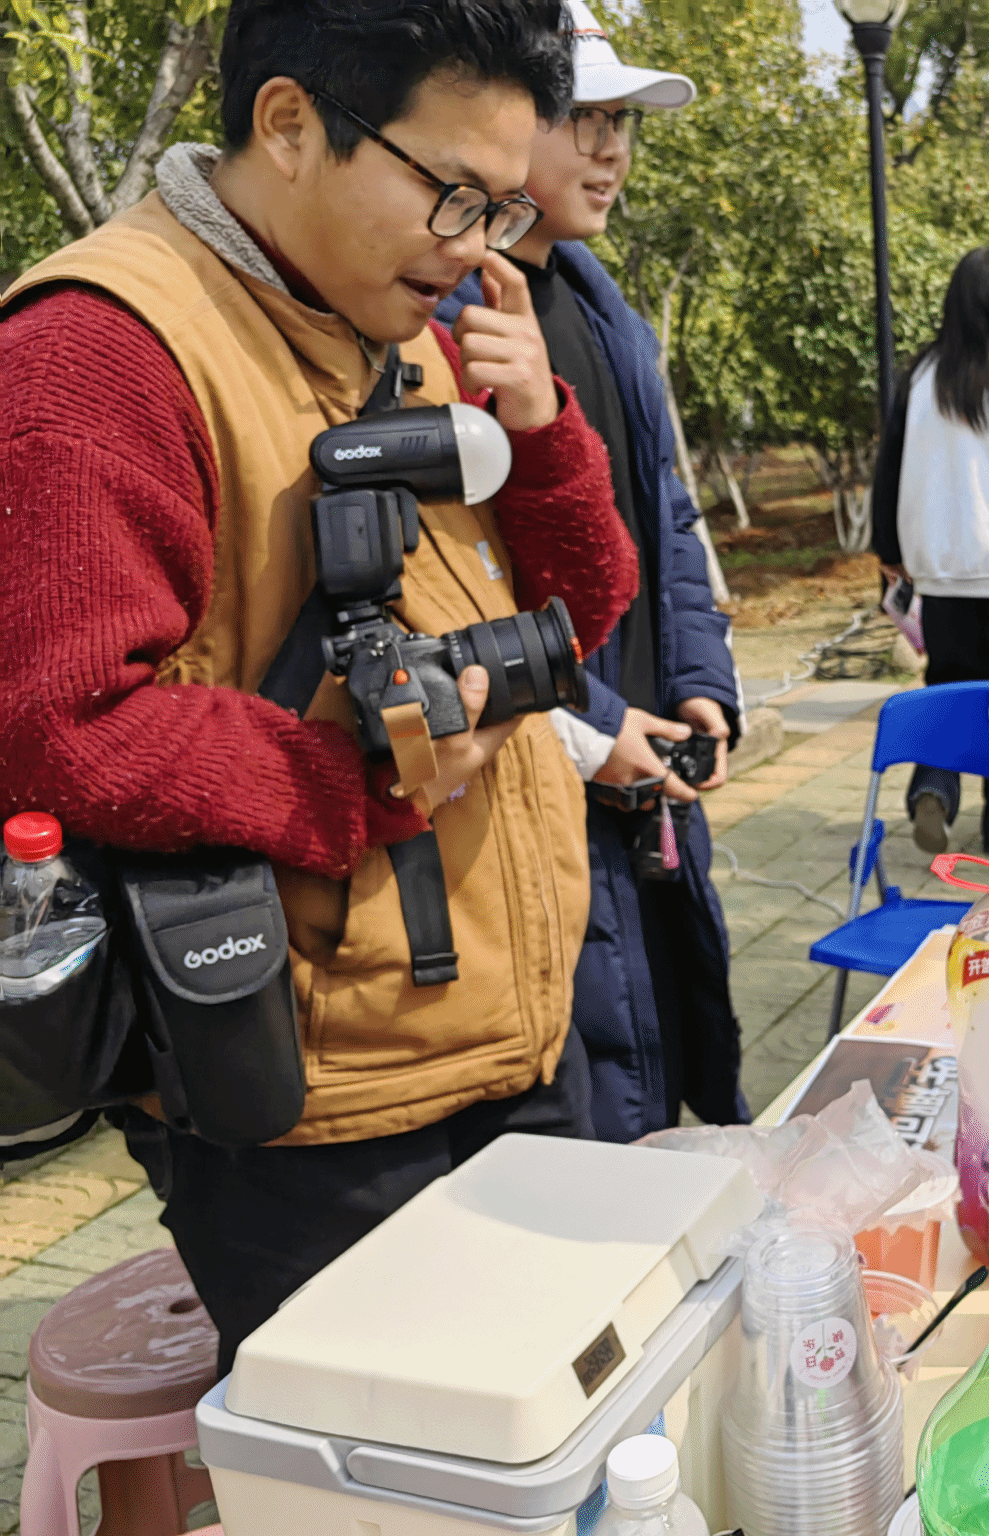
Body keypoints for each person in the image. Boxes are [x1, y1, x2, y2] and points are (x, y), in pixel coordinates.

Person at [0, 0, 637, 1370]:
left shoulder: (395, 322)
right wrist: (363, 777)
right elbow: (55, 725)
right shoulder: (98, 353)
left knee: (564, 1423)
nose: (473, 244)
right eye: (453, 193)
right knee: (406, 1461)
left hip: (504, 1032)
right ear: (290, 124)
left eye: (500, 208)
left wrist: (539, 428)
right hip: (317, 1108)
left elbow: (578, 622)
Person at [437, 1, 747, 1136]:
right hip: (535, 773)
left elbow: (664, 514)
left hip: (645, 766)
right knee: (586, 1096)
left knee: (668, 1060)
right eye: (585, 119)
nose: (612, 151)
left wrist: (700, 681)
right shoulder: (446, 322)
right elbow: (456, 588)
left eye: (625, 123)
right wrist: (593, 725)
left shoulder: (601, 308)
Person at [870, 248, 989, 855]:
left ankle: (935, 786)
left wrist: (890, 550)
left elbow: (889, 469)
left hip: (940, 572)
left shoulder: (920, 377)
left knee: (947, 687)